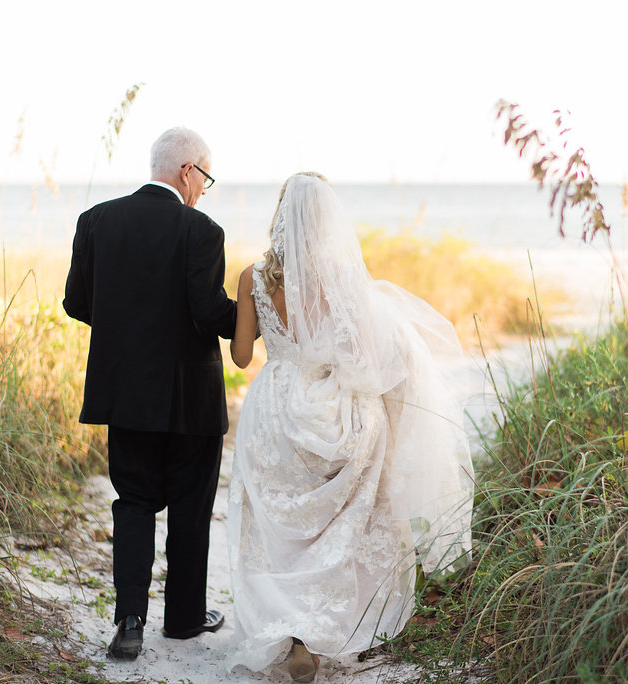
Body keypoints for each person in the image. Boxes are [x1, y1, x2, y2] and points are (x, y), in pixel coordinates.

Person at [225, 172, 474, 682]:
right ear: (327, 220)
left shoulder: (253, 277)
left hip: (275, 408)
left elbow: (243, 357)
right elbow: (362, 358)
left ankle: (289, 630)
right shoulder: (341, 277)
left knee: (281, 526)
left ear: (281, 215)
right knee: (339, 524)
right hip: (335, 408)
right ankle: (317, 632)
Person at [63, 127, 237, 660]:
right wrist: (256, 317)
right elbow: (210, 313)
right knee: (190, 507)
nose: (203, 189)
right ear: (188, 171)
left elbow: (76, 302)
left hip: (127, 394)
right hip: (191, 398)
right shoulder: (202, 230)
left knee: (134, 502)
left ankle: (130, 622)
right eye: (205, 178)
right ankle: (183, 619)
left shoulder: (96, 221)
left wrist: (125, 329)